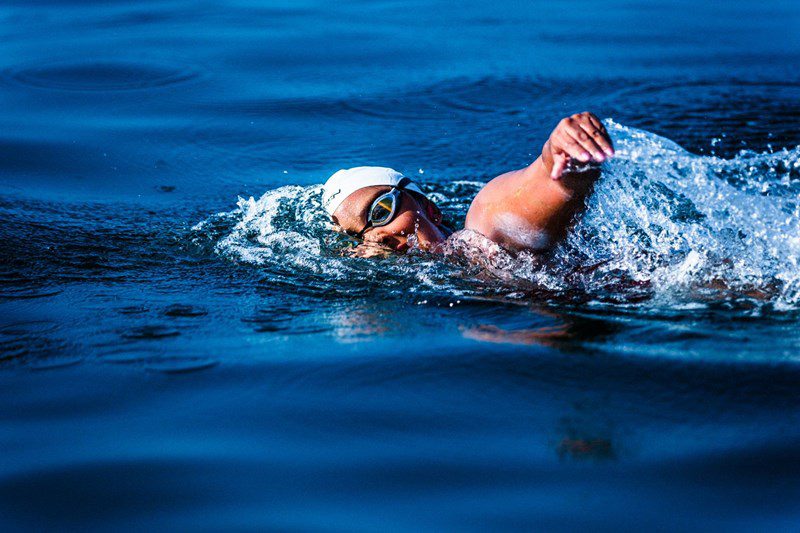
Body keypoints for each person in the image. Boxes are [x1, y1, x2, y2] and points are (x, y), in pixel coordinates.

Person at [321, 112, 614, 255]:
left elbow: (544, 187)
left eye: (381, 210)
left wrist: (562, 156)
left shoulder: (483, 233)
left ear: (429, 208)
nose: (377, 236)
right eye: (357, 236)